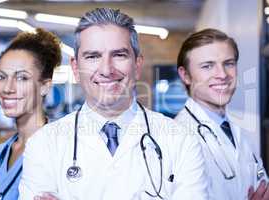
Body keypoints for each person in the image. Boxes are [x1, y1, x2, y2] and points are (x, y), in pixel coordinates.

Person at [19, 8, 208, 200]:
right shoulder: (43, 145)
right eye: (93, 56)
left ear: (137, 65)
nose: (106, 69)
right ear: (76, 68)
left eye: (119, 55)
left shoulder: (182, 141)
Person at [175, 28, 269, 200]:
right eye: (207, 66)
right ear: (185, 75)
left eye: (229, 63)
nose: (222, 75)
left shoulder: (242, 133)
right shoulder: (177, 138)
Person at [0, 28, 62, 200]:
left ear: (45, 86)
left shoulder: (57, 152)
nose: (7, 88)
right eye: (1, 77)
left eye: (21, 78)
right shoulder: (4, 149)